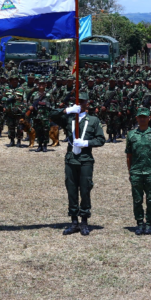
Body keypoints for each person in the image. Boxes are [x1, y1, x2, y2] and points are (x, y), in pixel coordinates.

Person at [50, 92, 106, 236]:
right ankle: (74, 221)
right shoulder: (68, 118)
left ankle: (84, 221)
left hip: (86, 159)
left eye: (82, 102)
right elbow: (50, 116)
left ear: (87, 103)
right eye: (77, 102)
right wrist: (66, 110)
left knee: (85, 189)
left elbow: (101, 139)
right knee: (72, 189)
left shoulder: (93, 120)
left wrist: (86, 143)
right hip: (71, 159)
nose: (79, 104)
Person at [125, 107, 151, 236]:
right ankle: (139, 223)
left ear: (149, 118)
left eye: (145, 117)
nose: (142, 119)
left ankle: (149, 223)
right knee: (137, 200)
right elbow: (129, 155)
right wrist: (130, 172)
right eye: (140, 117)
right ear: (136, 118)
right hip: (136, 172)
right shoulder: (131, 134)